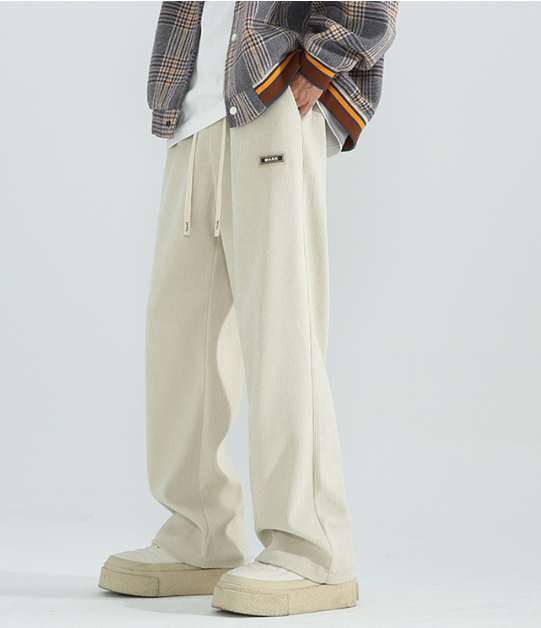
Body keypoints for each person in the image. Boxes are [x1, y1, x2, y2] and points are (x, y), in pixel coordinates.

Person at [98, 0, 398, 617]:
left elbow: (372, 10)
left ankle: (313, 547)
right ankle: (200, 533)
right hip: (196, 113)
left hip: (270, 98)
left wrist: (316, 70)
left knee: (281, 327)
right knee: (178, 334)